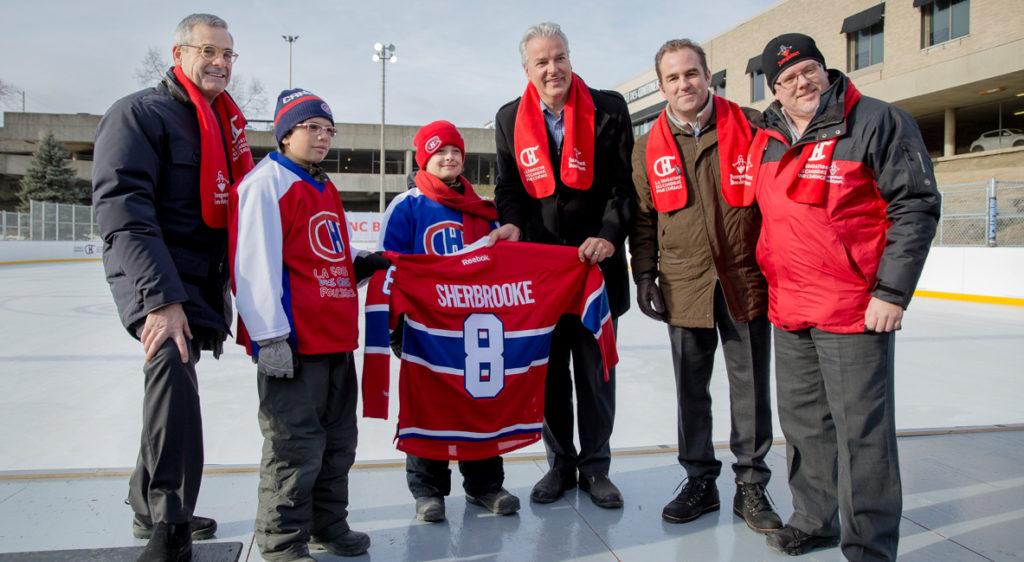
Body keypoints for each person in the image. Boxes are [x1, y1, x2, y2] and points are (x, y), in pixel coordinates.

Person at [751, 33, 941, 559]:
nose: (800, 82)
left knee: (863, 439)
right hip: (790, 309)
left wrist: (893, 291)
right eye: (787, 78)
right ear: (775, 89)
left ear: (826, 70)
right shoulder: (765, 136)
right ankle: (814, 521)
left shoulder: (878, 120)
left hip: (855, 309)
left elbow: (916, 206)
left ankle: (870, 547)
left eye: (808, 69)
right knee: (807, 429)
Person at [92, 13, 253, 561]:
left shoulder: (222, 123)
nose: (221, 63)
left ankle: (146, 502)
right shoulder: (140, 114)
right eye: (209, 51)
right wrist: (161, 299)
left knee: (170, 389)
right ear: (179, 52)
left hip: (200, 279)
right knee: (174, 387)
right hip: (157, 278)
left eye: (229, 55)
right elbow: (124, 211)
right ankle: (170, 525)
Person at [629, 39, 781, 533]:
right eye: (672, 78)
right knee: (691, 391)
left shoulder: (753, 125)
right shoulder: (646, 146)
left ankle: (752, 484)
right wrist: (645, 274)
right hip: (683, 282)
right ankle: (699, 479)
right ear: (661, 86)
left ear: (708, 75)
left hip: (743, 278)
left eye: (691, 74)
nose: (684, 85)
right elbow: (644, 221)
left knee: (751, 389)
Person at [230, 89, 387, 561]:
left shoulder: (323, 185)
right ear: (286, 133)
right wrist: (269, 336)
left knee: (338, 444)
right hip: (294, 344)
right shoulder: (266, 183)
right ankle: (281, 543)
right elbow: (253, 265)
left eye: (328, 130)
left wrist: (362, 263)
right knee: (293, 448)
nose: (322, 137)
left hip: (336, 339)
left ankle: (327, 525)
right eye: (311, 128)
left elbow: (325, 252)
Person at [494, 22, 634, 509]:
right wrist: (510, 225)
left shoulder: (608, 108)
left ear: (570, 58)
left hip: (595, 269)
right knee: (549, 376)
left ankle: (597, 469)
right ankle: (560, 465)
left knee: (596, 377)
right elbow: (509, 190)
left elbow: (623, 187)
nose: (552, 68)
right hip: (543, 277)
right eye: (541, 61)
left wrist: (609, 235)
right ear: (527, 69)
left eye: (560, 57)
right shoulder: (510, 117)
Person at [377, 120, 520, 522]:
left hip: (475, 327)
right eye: (440, 150)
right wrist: (395, 323)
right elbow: (386, 265)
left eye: (455, 150)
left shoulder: (485, 210)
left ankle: (485, 485)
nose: (450, 157)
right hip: (423, 329)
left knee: (481, 400)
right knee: (428, 406)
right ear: (425, 157)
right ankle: (429, 490)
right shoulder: (407, 205)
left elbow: (503, 267)